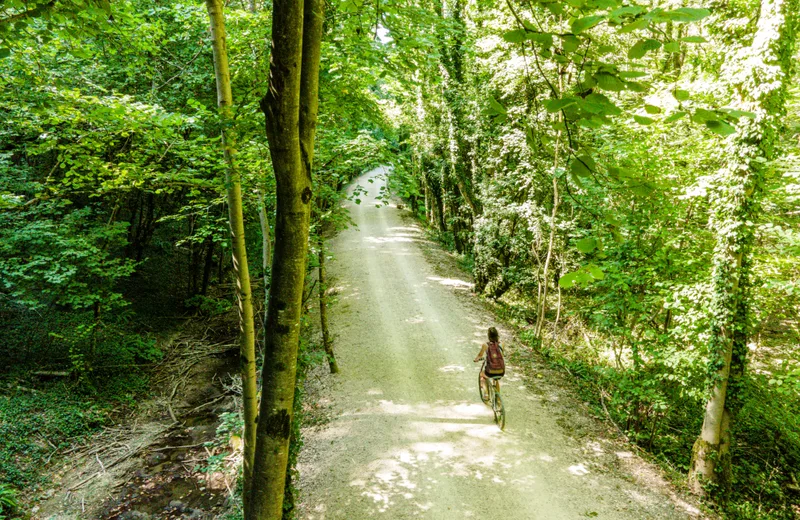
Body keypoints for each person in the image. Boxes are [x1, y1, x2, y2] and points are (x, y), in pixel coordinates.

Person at [474, 326, 504, 392]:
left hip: (490, 371)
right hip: (501, 371)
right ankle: (498, 399)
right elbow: (501, 355)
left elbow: (479, 355)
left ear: (488, 336)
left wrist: (476, 359)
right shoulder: (502, 344)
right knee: (496, 379)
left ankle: (486, 394)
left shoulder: (485, 345)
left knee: (482, 375)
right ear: (497, 335)